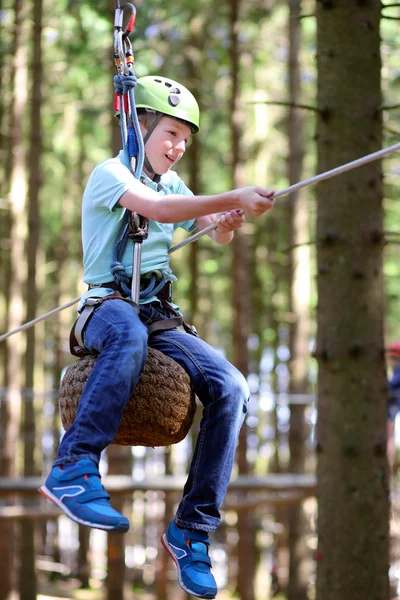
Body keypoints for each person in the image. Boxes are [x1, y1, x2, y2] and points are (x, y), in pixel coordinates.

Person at [39, 75, 275, 599]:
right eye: (170, 134)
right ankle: (73, 467)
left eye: (186, 141)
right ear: (137, 126)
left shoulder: (175, 185)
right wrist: (227, 196)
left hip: (159, 315)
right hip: (107, 307)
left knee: (232, 387)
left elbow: (213, 228)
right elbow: (160, 211)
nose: (178, 148)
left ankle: (191, 531)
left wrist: (231, 217)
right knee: (126, 335)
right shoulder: (111, 174)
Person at [386, 342, 400, 471]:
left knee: (389, 437)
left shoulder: (398, 369)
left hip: (393, 406)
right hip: (393, 406)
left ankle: (388, 466)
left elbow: (391, 385)